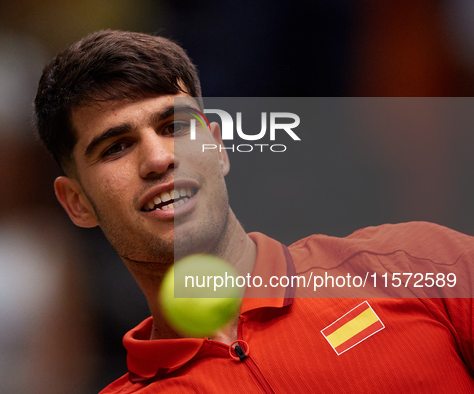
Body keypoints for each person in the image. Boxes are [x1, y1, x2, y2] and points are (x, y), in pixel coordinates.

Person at [34, 29, 474, 393]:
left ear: (219, 148)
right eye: (117, 147)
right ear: (77, 202)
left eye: (174, 127)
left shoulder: (414, 264)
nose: (158, 159)